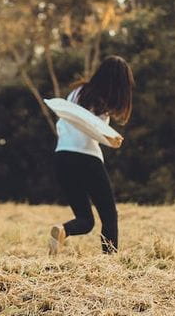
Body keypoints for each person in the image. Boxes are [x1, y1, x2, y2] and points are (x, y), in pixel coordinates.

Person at [48, 55, 134, 256]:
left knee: (86, 221)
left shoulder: (76, 93)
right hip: (87, 158)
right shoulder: (102, 102)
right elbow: (97, 131)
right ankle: (109, 263)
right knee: (109, 216)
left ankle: (62, 230)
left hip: (61, 157)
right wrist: (113, 138)